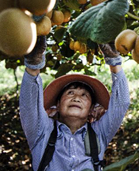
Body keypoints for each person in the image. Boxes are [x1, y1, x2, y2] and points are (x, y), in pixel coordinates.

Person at [19, 36, 130, 171]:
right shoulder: (42, 132)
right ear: (57, 105)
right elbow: (29, 106)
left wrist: (114, 62)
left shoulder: (99, 132)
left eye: (84, 95)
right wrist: (33, 66)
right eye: (70, 93)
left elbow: (121, 103)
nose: (76, 98)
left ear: (91, 110)